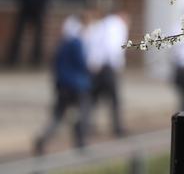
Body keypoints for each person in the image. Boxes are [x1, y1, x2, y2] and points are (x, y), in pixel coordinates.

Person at [34, 15, 91, 154]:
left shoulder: (61, 44)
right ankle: (80, 143)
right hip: (77, 86)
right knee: (80, 114)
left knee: (58, 116)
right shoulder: (76, 43)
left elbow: (54, 66)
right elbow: (82, 63)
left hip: (62, 86)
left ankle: (44, 138)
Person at [84, 9, 129, 137]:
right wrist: (117, 65)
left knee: (94, 98)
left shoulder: (102, 24)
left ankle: (87, 125)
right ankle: (117, 128)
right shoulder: (117, 26)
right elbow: (113, 47)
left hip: (97, 67)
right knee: (114, 99)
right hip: (108, 67)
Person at [6, 0, 54, 67]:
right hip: (32, 5)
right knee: (28, 34)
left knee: (29, 34)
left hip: (31, 5)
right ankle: (31, 59)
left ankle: (18, 59)